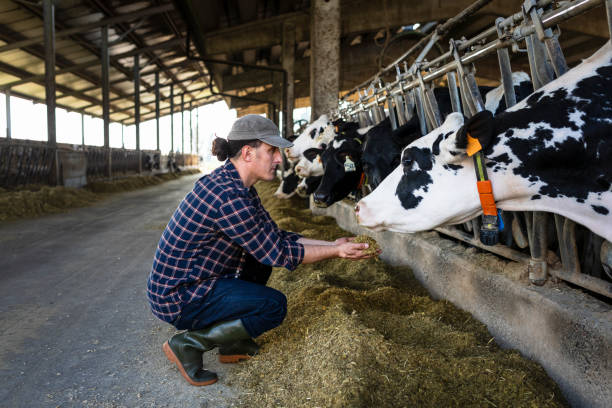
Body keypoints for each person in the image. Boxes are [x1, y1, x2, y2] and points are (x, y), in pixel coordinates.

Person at [147, 114, 378, 387]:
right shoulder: (229, 196)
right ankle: (188, 344)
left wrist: (333, 245)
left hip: (192, 281)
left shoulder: (237, 185)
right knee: (273, 305)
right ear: (247, 153)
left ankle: (232, 343)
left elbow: (275, 238)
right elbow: (279, 253)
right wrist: (338, 253)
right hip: (180, 296)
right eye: (271, 151)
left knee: (258, 263)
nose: (279, 159)